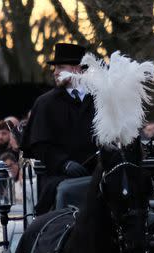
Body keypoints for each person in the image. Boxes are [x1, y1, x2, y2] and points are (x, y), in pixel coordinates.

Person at [22, 42, 98, 214]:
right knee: (63, 192)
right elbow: (39, 145)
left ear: (78, 69)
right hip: (60, 176)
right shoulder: (45, 103)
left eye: (61, 67)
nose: (55, 72)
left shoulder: (100, 98)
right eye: (54, 68)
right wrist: (64, 163)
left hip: (99, 173)